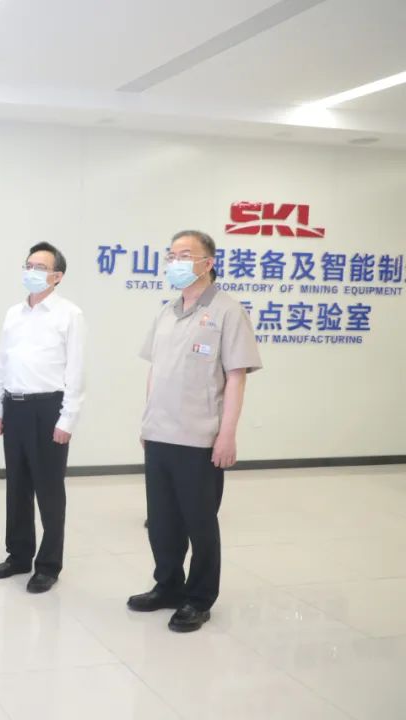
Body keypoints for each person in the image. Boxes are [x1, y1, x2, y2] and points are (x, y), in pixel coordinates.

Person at [127, 230, 261, 632]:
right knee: (162, 522)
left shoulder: (227, 311)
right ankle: (168, 585)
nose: (175, 262)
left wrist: (227, 434)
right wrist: (147, 419)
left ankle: (199, 599)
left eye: (184, 255)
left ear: (208, 262)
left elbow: (236, 377)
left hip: (199, 438)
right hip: (160, 433)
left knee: (200, 524)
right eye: (171, 255)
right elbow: (156, 370)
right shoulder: (167, 312)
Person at [0, 242, 86, 593]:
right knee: (17, 486)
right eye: (28, 265)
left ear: (57, 276)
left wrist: (67, 420)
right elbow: (3, 362)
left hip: (48, 408)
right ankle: (18, 555)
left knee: (49, 489)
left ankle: (48, 564)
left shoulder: (69, 315)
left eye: (40, 267)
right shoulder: (13, 313)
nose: (31, 271)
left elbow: (76, 371)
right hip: (14, 406)